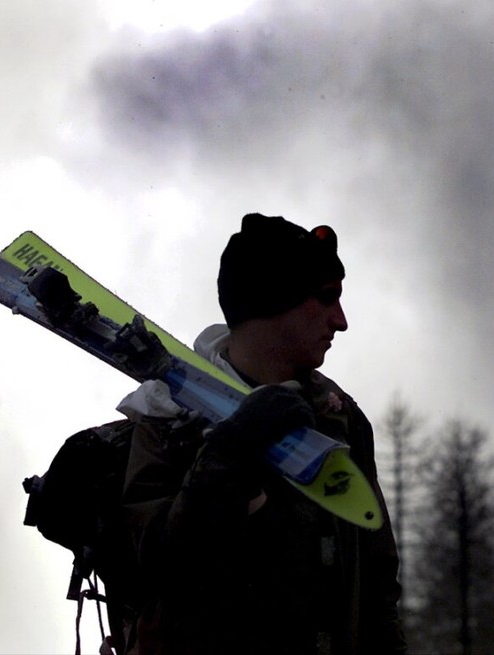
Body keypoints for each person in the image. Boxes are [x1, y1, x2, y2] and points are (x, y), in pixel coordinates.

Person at [118, 213, 406, 654]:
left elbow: (378, 585)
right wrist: (231, 451)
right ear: (273, 302)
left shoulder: (340, 418)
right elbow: (159, 568)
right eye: (326, 298)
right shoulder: (166, 415)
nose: (341, 320)